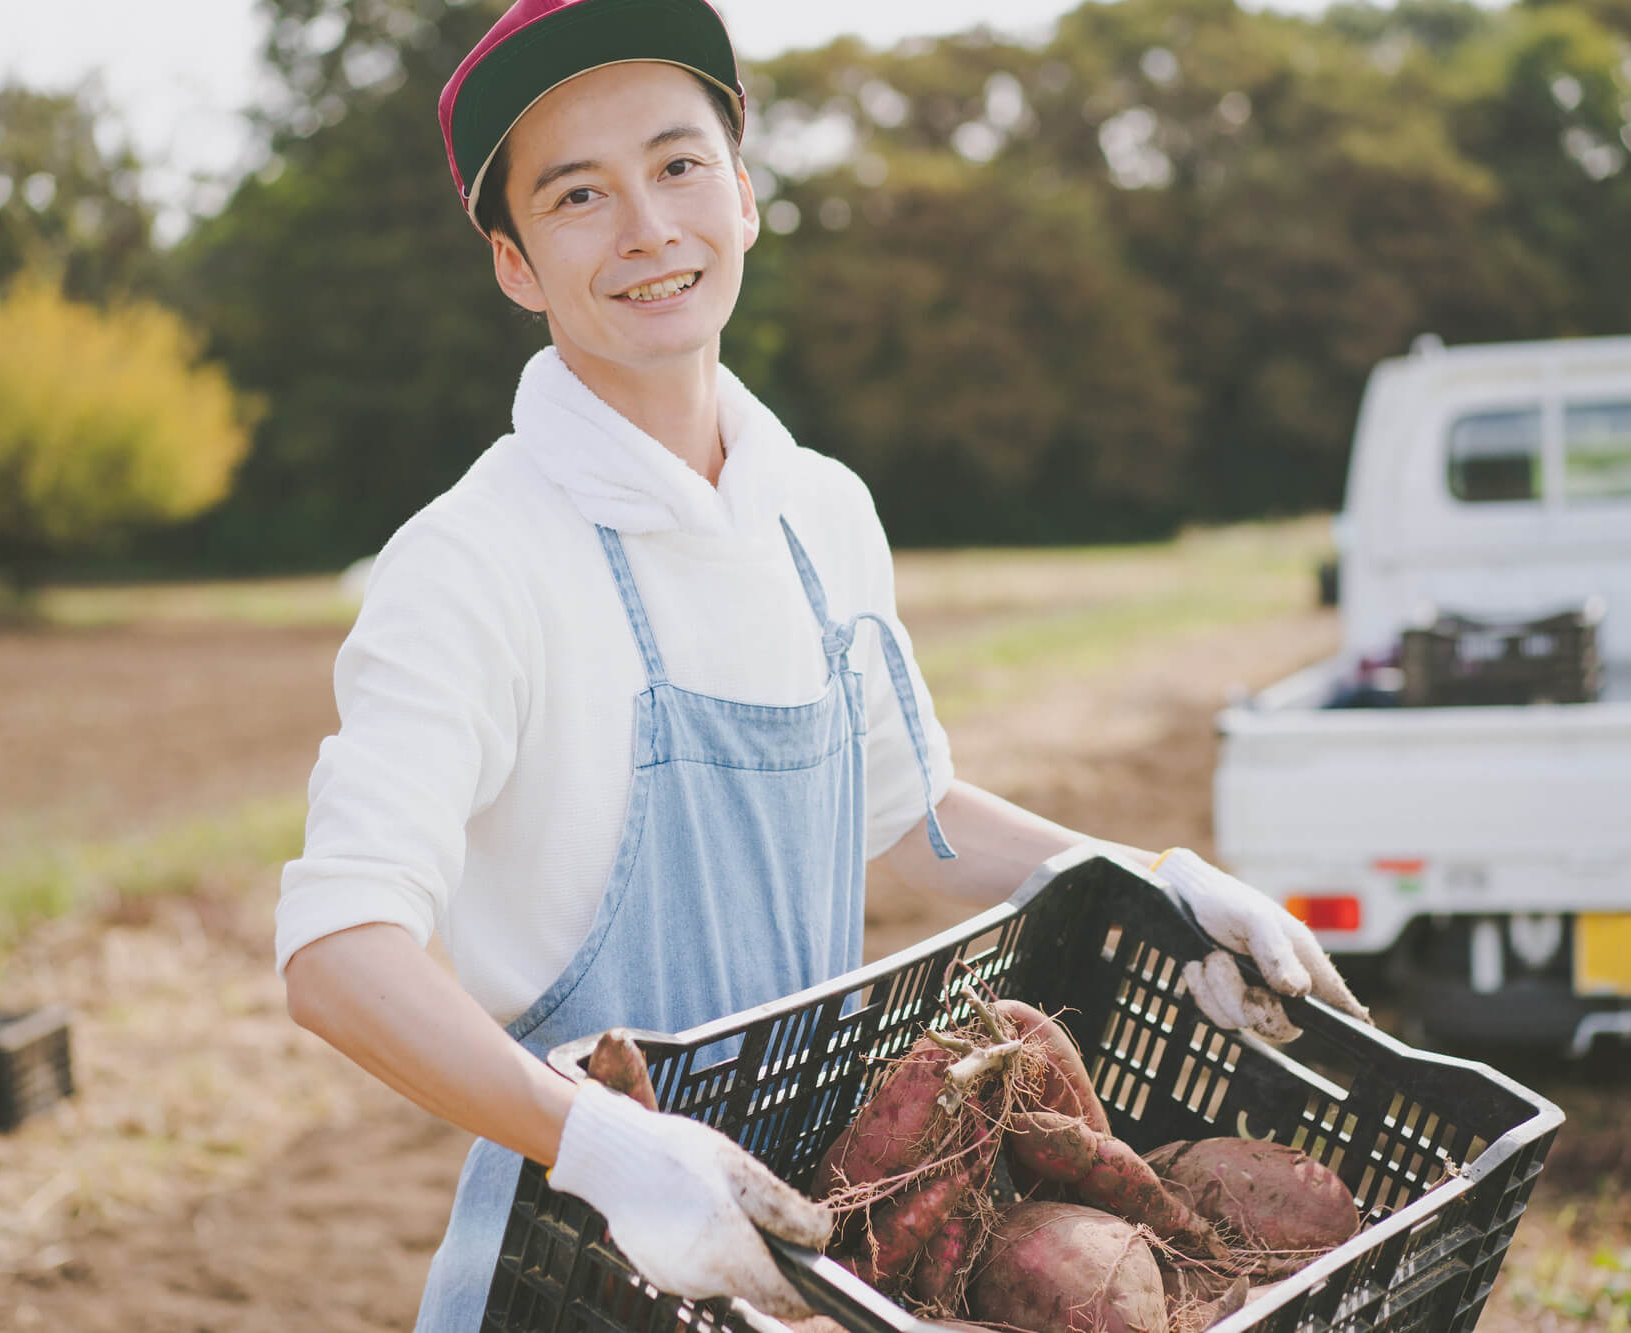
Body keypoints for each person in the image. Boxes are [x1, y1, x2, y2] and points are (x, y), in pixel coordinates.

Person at [274, 1, 1369, 1328]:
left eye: (678, 165)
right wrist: (605, 1146)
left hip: (819, 1246)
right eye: (578, 195)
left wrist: (1155, 883)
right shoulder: (473, 562)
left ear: (743, 193)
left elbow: (910, 819)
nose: (648, 227)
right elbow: (337, 950)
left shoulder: (821, 514)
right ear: (514, 262)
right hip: (586, 1267)